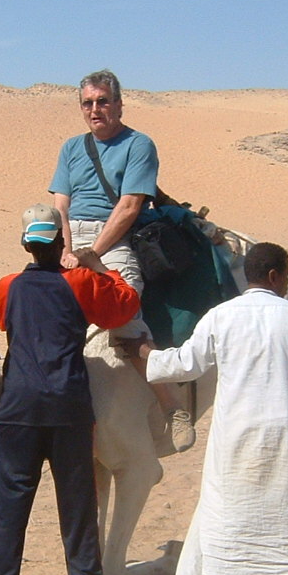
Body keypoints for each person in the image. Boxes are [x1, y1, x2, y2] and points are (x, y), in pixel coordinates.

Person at [138, 242, 288, 575]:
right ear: (275, 277)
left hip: (237, 435)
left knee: (236, 513)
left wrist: (146, 353)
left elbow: (187, 363)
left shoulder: (222, 315)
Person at [0, 203, 141, 575]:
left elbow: (5, 323)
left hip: (17, 409)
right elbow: (125, 306)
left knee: (7, 504)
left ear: (25, 244)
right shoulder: (81, 282)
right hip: (69, 407)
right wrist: (101, 267)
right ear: (61, 242)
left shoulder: (7, 286)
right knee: (78, 503)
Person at [49, 69, 195, 453]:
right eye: (87, 103)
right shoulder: (71, 148)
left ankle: (172, 407)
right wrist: (65, 249)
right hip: (69, 237)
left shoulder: (138, 145)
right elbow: (60, 205)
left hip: (112, 238)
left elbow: (129, 206)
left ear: (118, 105)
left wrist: (93, 254)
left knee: (123, 309)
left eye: (103, 101)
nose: (95, 109)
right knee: (32, 301)